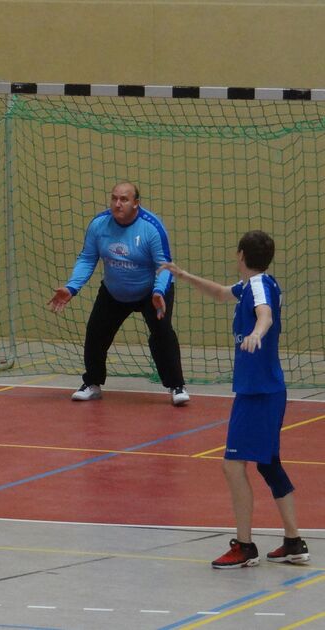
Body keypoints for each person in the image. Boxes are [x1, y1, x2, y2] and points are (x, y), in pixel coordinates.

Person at [161, 231, 310, 569]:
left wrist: (257, 333)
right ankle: (293, 541)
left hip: (257, 393)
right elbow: (220, 293)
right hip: (268, 390)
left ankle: (245, 546)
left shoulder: (258, 287)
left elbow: (265, 314)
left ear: (240, 254)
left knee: (232, 465)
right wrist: (184, 275)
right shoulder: (257, 284)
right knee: (269, 464)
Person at [48, 181, 190, 406]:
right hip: (114, 291)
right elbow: (87, 258)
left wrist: (158, 291)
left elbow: (164, 267)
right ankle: (92, 384)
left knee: (162, 333)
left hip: (151, 292)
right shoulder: (99, 225)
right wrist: (72, 287)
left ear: (136, 203)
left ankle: (176, 386)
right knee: (95, 333)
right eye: (114, 198)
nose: (117, 203)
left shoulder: (151, 228)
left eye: (124, 199)